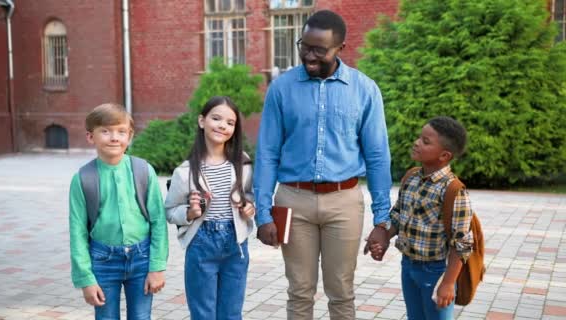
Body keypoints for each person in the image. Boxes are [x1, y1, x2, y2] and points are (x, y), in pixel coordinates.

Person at [254, 9, 393, 320]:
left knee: (342, 293)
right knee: (299, 292)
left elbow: (377, 157)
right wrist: (262, 214)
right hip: (293, 200)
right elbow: (267, 152)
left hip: (344, 202)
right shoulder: (281, 89)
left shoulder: (365, 90)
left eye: (319, 49)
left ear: (340, 48)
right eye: (304, 45)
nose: (309, 55)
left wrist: (382, 221)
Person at [69, 103, 169, 320]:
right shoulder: (83, 179)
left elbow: (158, 221)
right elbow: (77, 232)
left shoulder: (143, 170)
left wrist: (157, 266)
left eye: (121, 131)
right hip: (103, 261)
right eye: (105, 131)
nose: (114, 137)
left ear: (130, 136)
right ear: (90, 137)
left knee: (141, 317)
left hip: (142, 258)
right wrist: (86, 279)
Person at [370, 116, 474, 319]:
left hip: (435, 271)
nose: (417, 142)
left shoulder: (453, 190)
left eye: (426, 141)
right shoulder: (411, 177)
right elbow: (398, 216)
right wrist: (384, 236)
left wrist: (447, 283)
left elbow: (461, 244)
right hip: (408, 265)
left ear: (444, 155)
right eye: (420, 137)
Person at [164, 96, 255, 320]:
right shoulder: (184, 172)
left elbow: (252, 196)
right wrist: (189, 212)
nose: (223, 125)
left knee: (232, 313)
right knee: (203, 313)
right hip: (201, 244)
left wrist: (249, 207)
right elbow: (169, 210)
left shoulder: (243, 164)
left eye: (230, 122)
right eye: (216, 118)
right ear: (202, 121)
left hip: (236, 246)